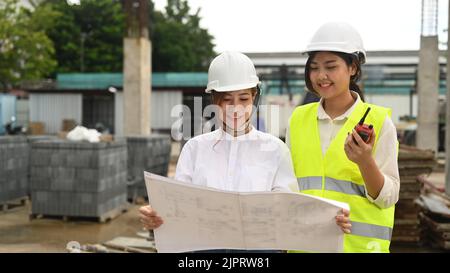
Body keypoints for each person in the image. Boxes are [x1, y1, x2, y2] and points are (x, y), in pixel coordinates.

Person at [140, 51, 351, 252]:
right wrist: (157, 215)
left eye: (243, 99)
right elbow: (178, 208)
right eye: (226, 99)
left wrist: (327, 221)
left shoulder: (275, 150)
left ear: (254, 97)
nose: (236, 108)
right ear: (214, 101)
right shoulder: (195, 150)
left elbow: (288, 212)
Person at [287, 22, 400, 253]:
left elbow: (388, 197)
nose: (321, 76)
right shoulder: (298, 120)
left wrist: (365, 161)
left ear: (353, 68)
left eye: (331, 66)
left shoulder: (378, 122)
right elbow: (287, 189)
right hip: (304, 248)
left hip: (358, 248)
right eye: (314, 67)